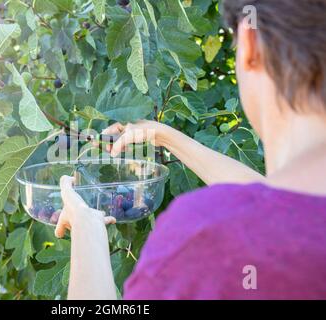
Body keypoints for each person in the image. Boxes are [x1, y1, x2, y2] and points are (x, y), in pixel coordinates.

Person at [55, 0, 326, 299]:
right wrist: (167, 138)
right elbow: (280, 205)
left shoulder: (206, 232)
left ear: (250, 44)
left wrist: (87, 229)